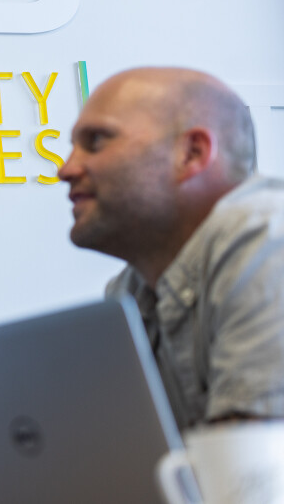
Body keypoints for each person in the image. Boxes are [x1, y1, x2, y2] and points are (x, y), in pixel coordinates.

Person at [57, 66, 284, 429]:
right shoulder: (129, 290)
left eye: (96, 141)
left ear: (191, 153)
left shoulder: (269, 242)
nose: (66, 169)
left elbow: (248, 463)